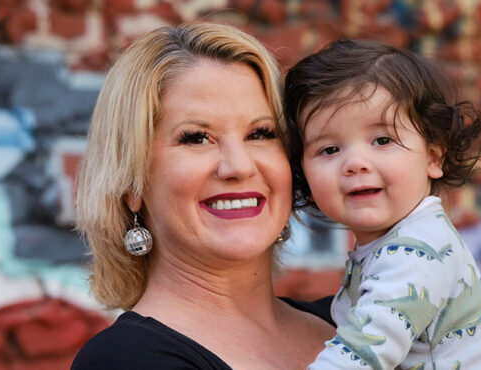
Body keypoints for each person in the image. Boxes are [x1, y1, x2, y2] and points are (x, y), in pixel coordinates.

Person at [71, 23, 335, 370]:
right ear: (132, 183)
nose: (238, 166)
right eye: (196, 138)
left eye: (260, 133)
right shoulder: (125, 359)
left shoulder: (361, 322)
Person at [284, 39, 481, 370]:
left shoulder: (416, 252)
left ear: (433, 158)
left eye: (382, 140)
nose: (355, 163)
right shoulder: (395, 241)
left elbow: (361, 355)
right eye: (330, 149)